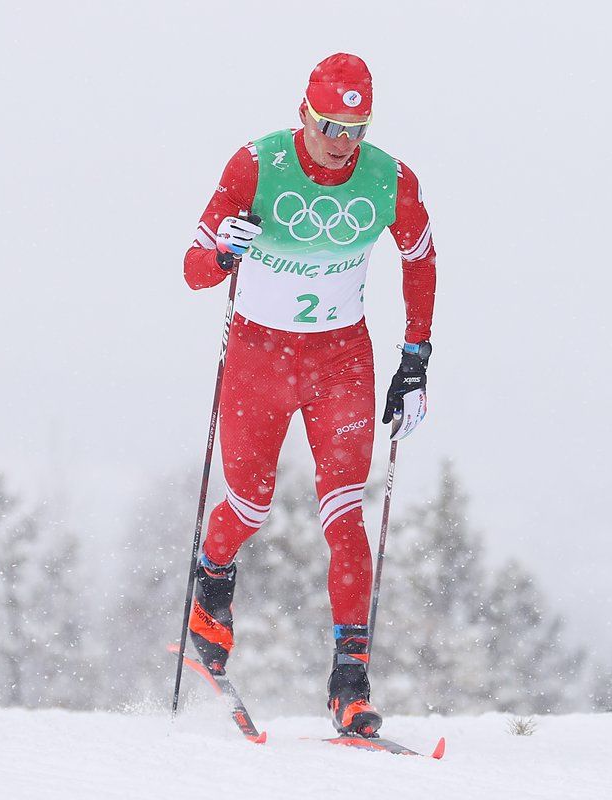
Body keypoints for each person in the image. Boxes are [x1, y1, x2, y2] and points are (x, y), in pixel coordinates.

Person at [182, 53, 436, 737]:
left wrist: (416, 355)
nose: (341, 140)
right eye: (329, 123)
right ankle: (212, 583)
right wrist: (224, 254)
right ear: (304, 113)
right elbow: (193, 269)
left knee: (345, 513)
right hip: (259, 359)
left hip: (340, 362)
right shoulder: (255, 165)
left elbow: (421, 255)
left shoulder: (389, 179)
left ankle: (349, 680)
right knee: (250, 503)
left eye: (356, 126)